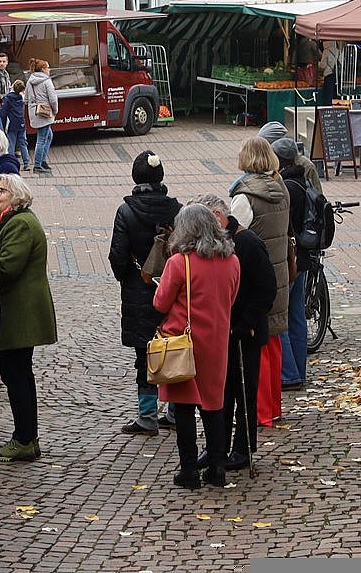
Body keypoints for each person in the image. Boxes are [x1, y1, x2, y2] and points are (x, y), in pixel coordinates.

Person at [151, 204, 242, 489]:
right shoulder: (232, 261)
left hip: (184, 343)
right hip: (216, 342)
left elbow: (160, 303)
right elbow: (232, 298)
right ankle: (216, 468)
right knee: (214, 407)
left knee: (185, 408)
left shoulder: (180, 262)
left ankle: (189, 471)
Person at [190, 194, 271, 475]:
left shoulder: (248, 243)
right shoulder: (218, 244)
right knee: (220, 393)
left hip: (244, 332)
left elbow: (266, 290)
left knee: (244, 393)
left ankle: (243, 448)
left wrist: (245, 322)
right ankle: (217, 448)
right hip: (222, 331)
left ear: (217, 216)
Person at [0, 174, 58, 463]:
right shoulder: (16, 221)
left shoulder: (21, 223)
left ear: (16, 194)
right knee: (17, 374)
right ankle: (25, 437)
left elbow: (7, 267)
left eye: (1, 191)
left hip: (22, 311)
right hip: (20, 309)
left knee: (17, 375)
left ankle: (25, 439)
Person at [109, 151, 183, 435]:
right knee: (174, 347)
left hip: (139, 288)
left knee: (144, 353)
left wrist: (127, 279)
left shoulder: (126, 211)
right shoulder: (176, 210)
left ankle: (147, 415)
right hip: (171, 287)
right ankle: (176, 411)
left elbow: (117, 255)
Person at [228, 137, 291, 407]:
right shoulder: (281, 188)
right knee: (274, 342)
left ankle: (260, 410)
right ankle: (273, 405)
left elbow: (235, 240)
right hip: (280, 273)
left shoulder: (244, 197)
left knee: (256, 345)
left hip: (255, 279)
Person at [277, 139, 312, 391]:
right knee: (297, 317)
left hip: (291, 259)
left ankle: (289, 374)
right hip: (304, 257)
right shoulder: (304, 180)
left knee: (282, 318)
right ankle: (299, 369)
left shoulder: (287, 187)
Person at [26, 59, 59, 173]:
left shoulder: (30, 80)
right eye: (48, 68)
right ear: (43, 69)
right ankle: (38, 165)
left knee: (49, 136)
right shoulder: (47, 81)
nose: (49, 70)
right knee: (41, 139)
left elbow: (26, 99)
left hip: (34, 112)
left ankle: (43, 161)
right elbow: (53, 99)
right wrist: (55, 110)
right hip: (44, 113)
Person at [3, 80, 28, 158]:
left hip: (12, 123)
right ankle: (26, 163)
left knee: (11, 143)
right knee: (23, 143)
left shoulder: (8, 98)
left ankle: (11, 161)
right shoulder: (20, 98)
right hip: (21, 122)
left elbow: (4, 112)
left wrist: (2, 124)